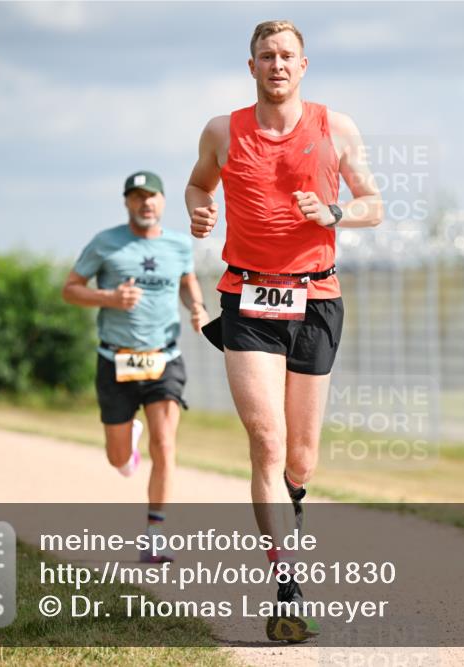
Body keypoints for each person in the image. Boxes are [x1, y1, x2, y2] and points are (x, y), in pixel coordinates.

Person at [185, 20, 383, 642]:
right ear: (251, 67)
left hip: (316, 299)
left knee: (301, 457)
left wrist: (334, 212)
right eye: (266, 56)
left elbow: (373, 204)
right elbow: (197, 182)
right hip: (246, 295)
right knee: (267, 443)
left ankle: (290, 517)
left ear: (304, 66)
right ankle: (287, 585)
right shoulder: (223, 131)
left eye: (287, 56)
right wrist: (197, 206)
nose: (277, 65)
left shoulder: (336, 127)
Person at [62, 171, 207, 562]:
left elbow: (188, 280)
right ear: (127, 202)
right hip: (116, 361)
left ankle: (155, 536)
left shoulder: (179, 245)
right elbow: (70, 288)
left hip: (164, 358)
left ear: (163, 201)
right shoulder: (106, 243)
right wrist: (109, 297)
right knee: (117, 458)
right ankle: (127, 451)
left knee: (165, 443)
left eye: (153, 196)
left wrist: (197, 306)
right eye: (138, 197)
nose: (146, 204)